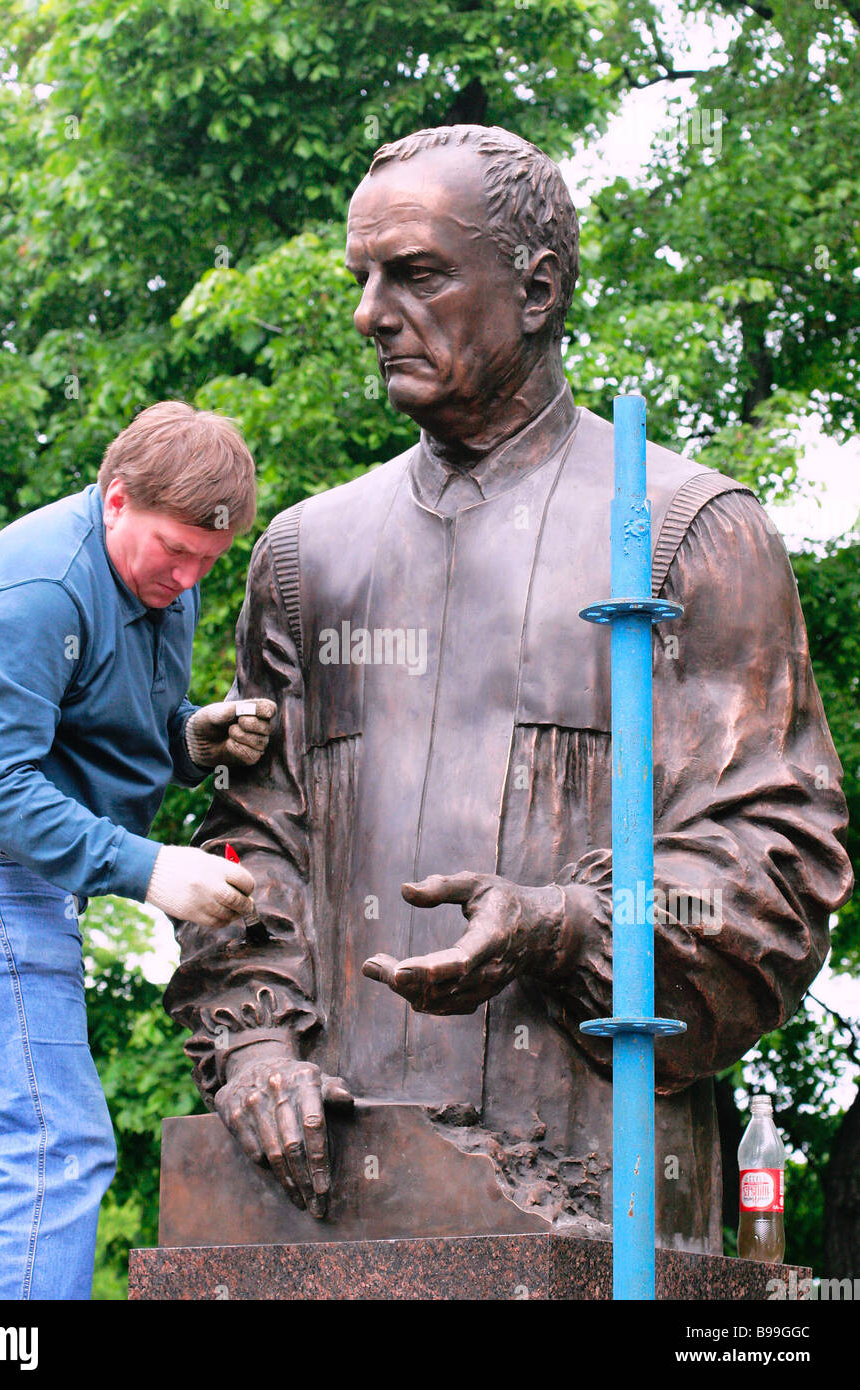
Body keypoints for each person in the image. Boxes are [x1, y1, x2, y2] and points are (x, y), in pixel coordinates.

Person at [164, 127, 853, 1249]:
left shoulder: (688, 535)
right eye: (363, 277)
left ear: (535, 290)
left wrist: (562, 922)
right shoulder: (305, 555)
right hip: (316, 1189)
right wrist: (252, 1043)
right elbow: (251, 843)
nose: (370, 313)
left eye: (417, 273)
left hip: (591, 1179)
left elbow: (775, 864)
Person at [0, 400, 275, 1299]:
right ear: (114, 501)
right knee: (53, 1144)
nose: (185, 579)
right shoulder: (40, 589)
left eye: (206, 562)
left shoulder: (164, 581)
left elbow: (106, 731)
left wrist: (193, 740)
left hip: (18, 868)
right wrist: (151, 870)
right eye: (172, 551)